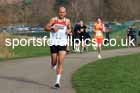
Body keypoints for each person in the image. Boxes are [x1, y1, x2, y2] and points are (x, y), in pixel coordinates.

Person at [45, 6, 71, 88]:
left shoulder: (67, 21)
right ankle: (53, 65)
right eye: (60, 12)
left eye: (63, 12)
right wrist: (52, 29)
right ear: (58, 12)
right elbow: (45, 28)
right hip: (54, 43)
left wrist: (68, 31)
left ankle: (57, 82)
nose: (62, 13)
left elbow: (70, 29)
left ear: (65, 13)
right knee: (54, 61)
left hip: (63, 43)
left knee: (60, 62)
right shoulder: (53, 20)